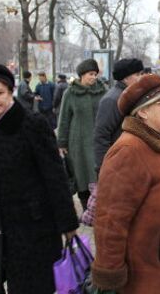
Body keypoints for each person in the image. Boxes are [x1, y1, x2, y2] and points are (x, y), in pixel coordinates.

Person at [0, 64, 78, 294]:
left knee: (35, 287)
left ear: (10, 92)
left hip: (36, 228)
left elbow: (55, 177)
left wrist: (68, 224)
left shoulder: (32, 124)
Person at [91, 74, 160, 293]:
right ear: (143, 111)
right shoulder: (129, 151)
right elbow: (110, 221)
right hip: (147, 278)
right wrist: (110, 276)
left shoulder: (157, 145)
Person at [57, 58, 106, 210]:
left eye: (95, 74)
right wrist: (62, 142)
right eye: (90, 74)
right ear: (82, 75)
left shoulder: (103, 91)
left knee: (98, 173)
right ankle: (86, 208)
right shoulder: (70, 93)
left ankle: (100, 208)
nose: (93, 77)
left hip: (98, 141)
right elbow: (64, 118)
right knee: (81, 174)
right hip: (77, 142)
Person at [94, 58, 144, 175]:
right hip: (118, 166)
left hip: (129, 162)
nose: (141, 77)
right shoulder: (112, 99)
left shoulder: (131, 96)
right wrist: (104, 169)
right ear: (125, 78)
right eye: (137, 74)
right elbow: (101, 136)